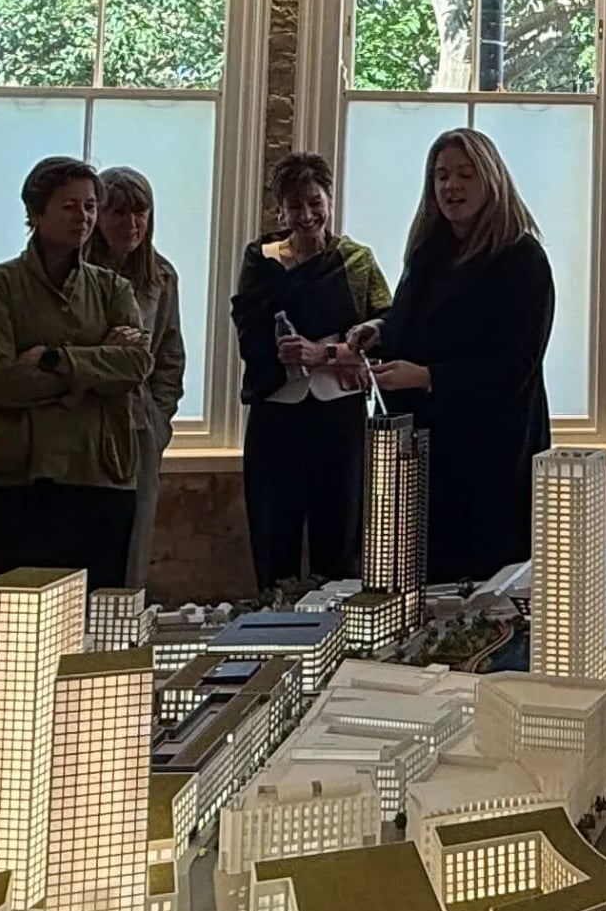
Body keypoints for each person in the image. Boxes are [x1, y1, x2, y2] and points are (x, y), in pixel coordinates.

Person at [0, 155, 154, 585]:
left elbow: (135, 365)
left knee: (96, 612)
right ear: (35, 213)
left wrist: (55, 359)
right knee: (10, 612)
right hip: (12, 475)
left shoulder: (113, 288)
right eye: (69, 206)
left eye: (90, 206)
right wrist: (95, 367)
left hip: (98, 471)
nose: (83, 217)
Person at [362, 128, 555, 582]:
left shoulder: (521, 259)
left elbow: (515, 366)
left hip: (489, 460)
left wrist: (427, 377)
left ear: (492, 180)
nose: (452, 186)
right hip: (422, 455)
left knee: (481, 586)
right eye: (442, 175)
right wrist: (378, 331)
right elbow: (418, 325)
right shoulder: (429, 252)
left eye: (466, 175)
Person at [231, 151, 389, 591]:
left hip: (339, 411)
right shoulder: (259, 260)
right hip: (276, 408)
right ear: (280, 210)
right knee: (273, 529)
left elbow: (387, 323)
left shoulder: (356, 261)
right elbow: (247, 326)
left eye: (315, 203)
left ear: (330, 201)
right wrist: (280, 350)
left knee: (340, 529)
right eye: (295, 206)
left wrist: (328, 352)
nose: (306, 215)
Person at [91, 164, 187, 540]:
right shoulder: (74, 270)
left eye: (140, 212)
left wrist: (159, 420)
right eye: (118, 212)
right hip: (83, 420)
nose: (131, 224)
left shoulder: (162, 276)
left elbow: (170, 355)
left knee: (133, 538)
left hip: (139, 423)